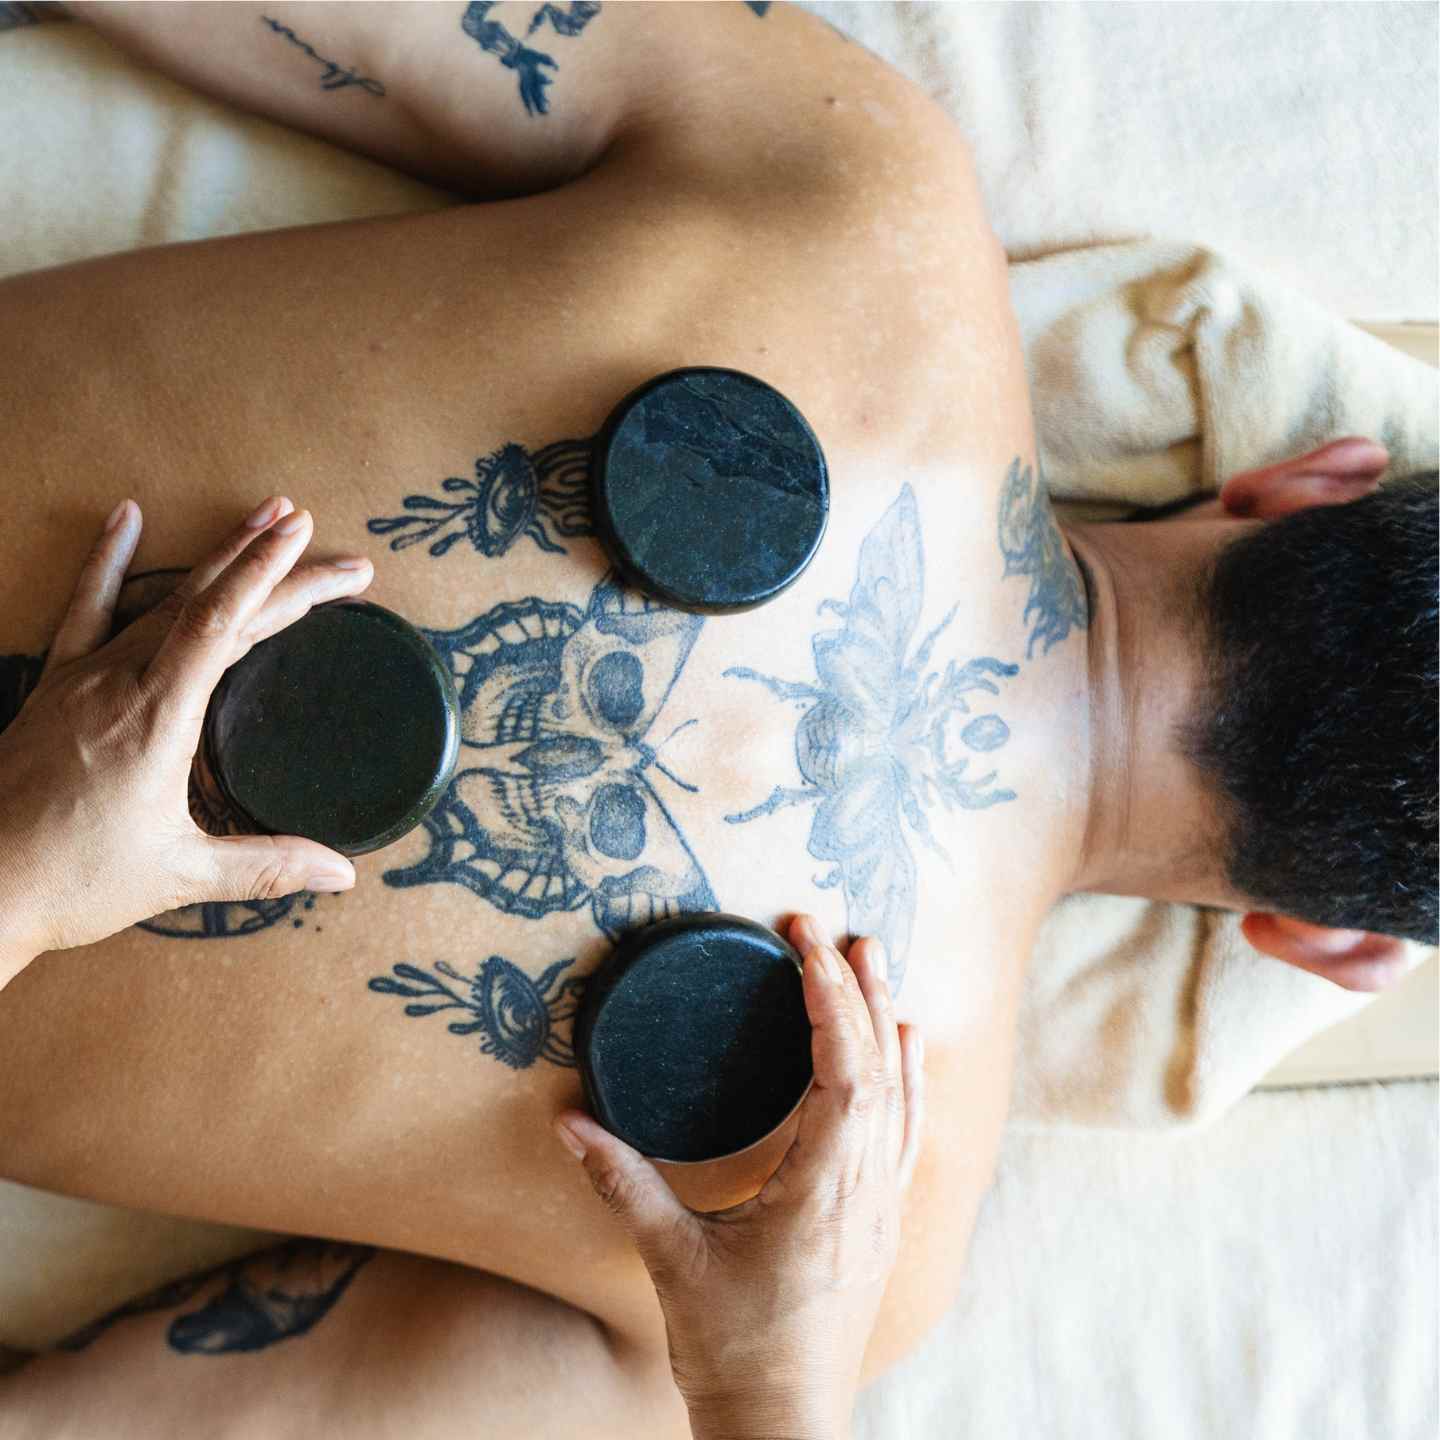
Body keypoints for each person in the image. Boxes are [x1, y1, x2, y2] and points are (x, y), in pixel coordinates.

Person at [0, 0, 1433, 1431]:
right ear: (1329, 942)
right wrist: (767, 1386)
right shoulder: (830, 1253)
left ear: (1310, 478)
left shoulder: (870, 200)